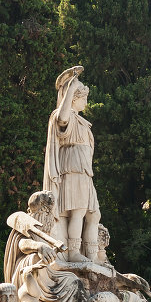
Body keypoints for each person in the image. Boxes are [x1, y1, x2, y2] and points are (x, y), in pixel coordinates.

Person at [44, 66, 100, 262]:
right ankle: (73, 252)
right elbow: (62, 117)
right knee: (78, 212)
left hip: (85, 172)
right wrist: (70, 88)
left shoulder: (82, 122)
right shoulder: (63, 117)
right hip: (73, 169)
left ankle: (93, 255)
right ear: (73, 98)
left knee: (94, 215)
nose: (86, 100)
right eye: (82, 96)